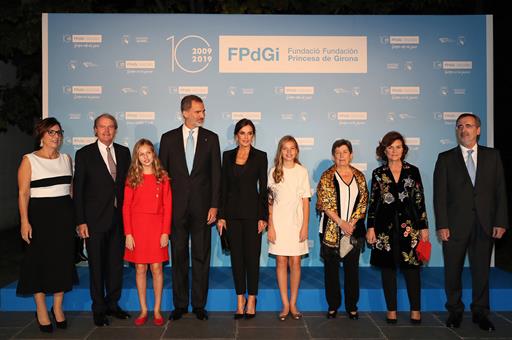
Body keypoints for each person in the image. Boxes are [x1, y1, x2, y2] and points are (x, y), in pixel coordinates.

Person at [434, 113, 508, 331]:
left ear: (478, 130)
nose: (463, 130)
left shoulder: (493, 156)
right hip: (454, 226)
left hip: (485, 225)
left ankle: (480, 313)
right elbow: (440, 196)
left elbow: (500, 191)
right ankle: (455, 312)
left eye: (468, 126)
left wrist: (501, 221)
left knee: (481, 272)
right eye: (459, 126)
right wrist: (442, 225)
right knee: (452, 272)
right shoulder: (445, 158)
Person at [159, 95, 221, 321]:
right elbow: (162, 177)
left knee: (201, 256)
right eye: (197, 111)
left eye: (203, 111)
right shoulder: (168, 139)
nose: (202, 115)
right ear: (185, 112)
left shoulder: (211, 139)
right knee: (178, 255)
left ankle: (199, 305)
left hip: (203, 209)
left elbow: (216, 176)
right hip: (175, 209)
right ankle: (180, 304)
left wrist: (215, 205)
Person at [17, 117, 77, 333]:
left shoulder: (67, 159)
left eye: (59, 132)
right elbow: (23, 193)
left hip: (63, 220)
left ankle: (58, 308)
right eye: (51, 132)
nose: (56, 136)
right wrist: (24, 221)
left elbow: (70, 191)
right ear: (41, 136)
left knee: (61, 263)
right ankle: (41, 309)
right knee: (38, 264)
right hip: (39, 220)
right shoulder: (29, 160)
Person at [74, 113, 131, 326]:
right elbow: (78, 191)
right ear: (95, 130)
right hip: (94, 221)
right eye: (102, 127)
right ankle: (98, 308)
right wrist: (81, 221)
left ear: (115, 130)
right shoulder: (84, 154)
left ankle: (113, 305)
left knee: (116, 265)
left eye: (110, 127)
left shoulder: (124, 153)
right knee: (96, 266)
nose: (106, 131)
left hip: (119, 220)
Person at [366, 131, 429, 324]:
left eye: (398, 147)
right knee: (388, 270)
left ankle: (415, 310)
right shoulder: (378, 173)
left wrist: (423, 226)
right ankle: (391, 310)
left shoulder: (413, 171)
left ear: (404, 150)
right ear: (384, 150)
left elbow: (419, 200)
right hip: (384, 230)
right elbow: (374, 202)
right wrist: (371, 227)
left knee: (412, 269)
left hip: (409, 228)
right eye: (390, 147)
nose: (394, 151)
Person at [217, 119, 268, 319]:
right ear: (236, 135)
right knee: (237, 259)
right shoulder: (227, 156)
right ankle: (240, 299)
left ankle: (252, 298)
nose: (246, 137)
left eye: (249, 133)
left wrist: (264, 217)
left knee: (252, 259)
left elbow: (263, 189)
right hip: (231, 216)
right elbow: (223, 188)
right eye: (242, 133)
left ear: (253, 135)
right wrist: (221, 215)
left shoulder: (260, 156)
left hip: (253, 215)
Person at [316, 139, 368, 320]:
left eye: (344, 152)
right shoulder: (326, 176)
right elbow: (324, 203)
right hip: (332, 230)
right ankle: (333, 305)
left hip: (353, 231)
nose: (341, 156)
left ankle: (352, 306)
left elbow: (363, 203)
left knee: (352, 270)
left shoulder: (360, 177)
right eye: (337, 152)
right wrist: (341, 223)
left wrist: (351, 224)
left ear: (351, 154)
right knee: (331, 271)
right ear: (333, 156)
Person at [123, 139, 172, 326]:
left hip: (157, 228)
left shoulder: (163, 177)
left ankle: (157, 309)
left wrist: (165, 232)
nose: (145, 157)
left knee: (157, 268)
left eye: (148, 153)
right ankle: (143, 309)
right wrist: (128, 233)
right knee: (140, 268)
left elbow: (168, 207)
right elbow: (126, 207)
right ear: (137, 156)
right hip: (137, 229)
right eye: (141, 154)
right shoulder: (132, 178)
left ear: (154, 154)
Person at [267, 135, 311, 321]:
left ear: (297, 151)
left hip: (296, 224)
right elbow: (270, 201)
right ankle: (285, 304)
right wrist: (271, 226)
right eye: (285, 148)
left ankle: (293, 303)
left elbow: (306, 202)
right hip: (278, 224)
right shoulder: (274, 171)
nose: (289, 152)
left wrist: (304, 227)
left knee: (295, 263)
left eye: (292, 148)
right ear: (280, 151)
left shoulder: (302, 172)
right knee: (281, 262)